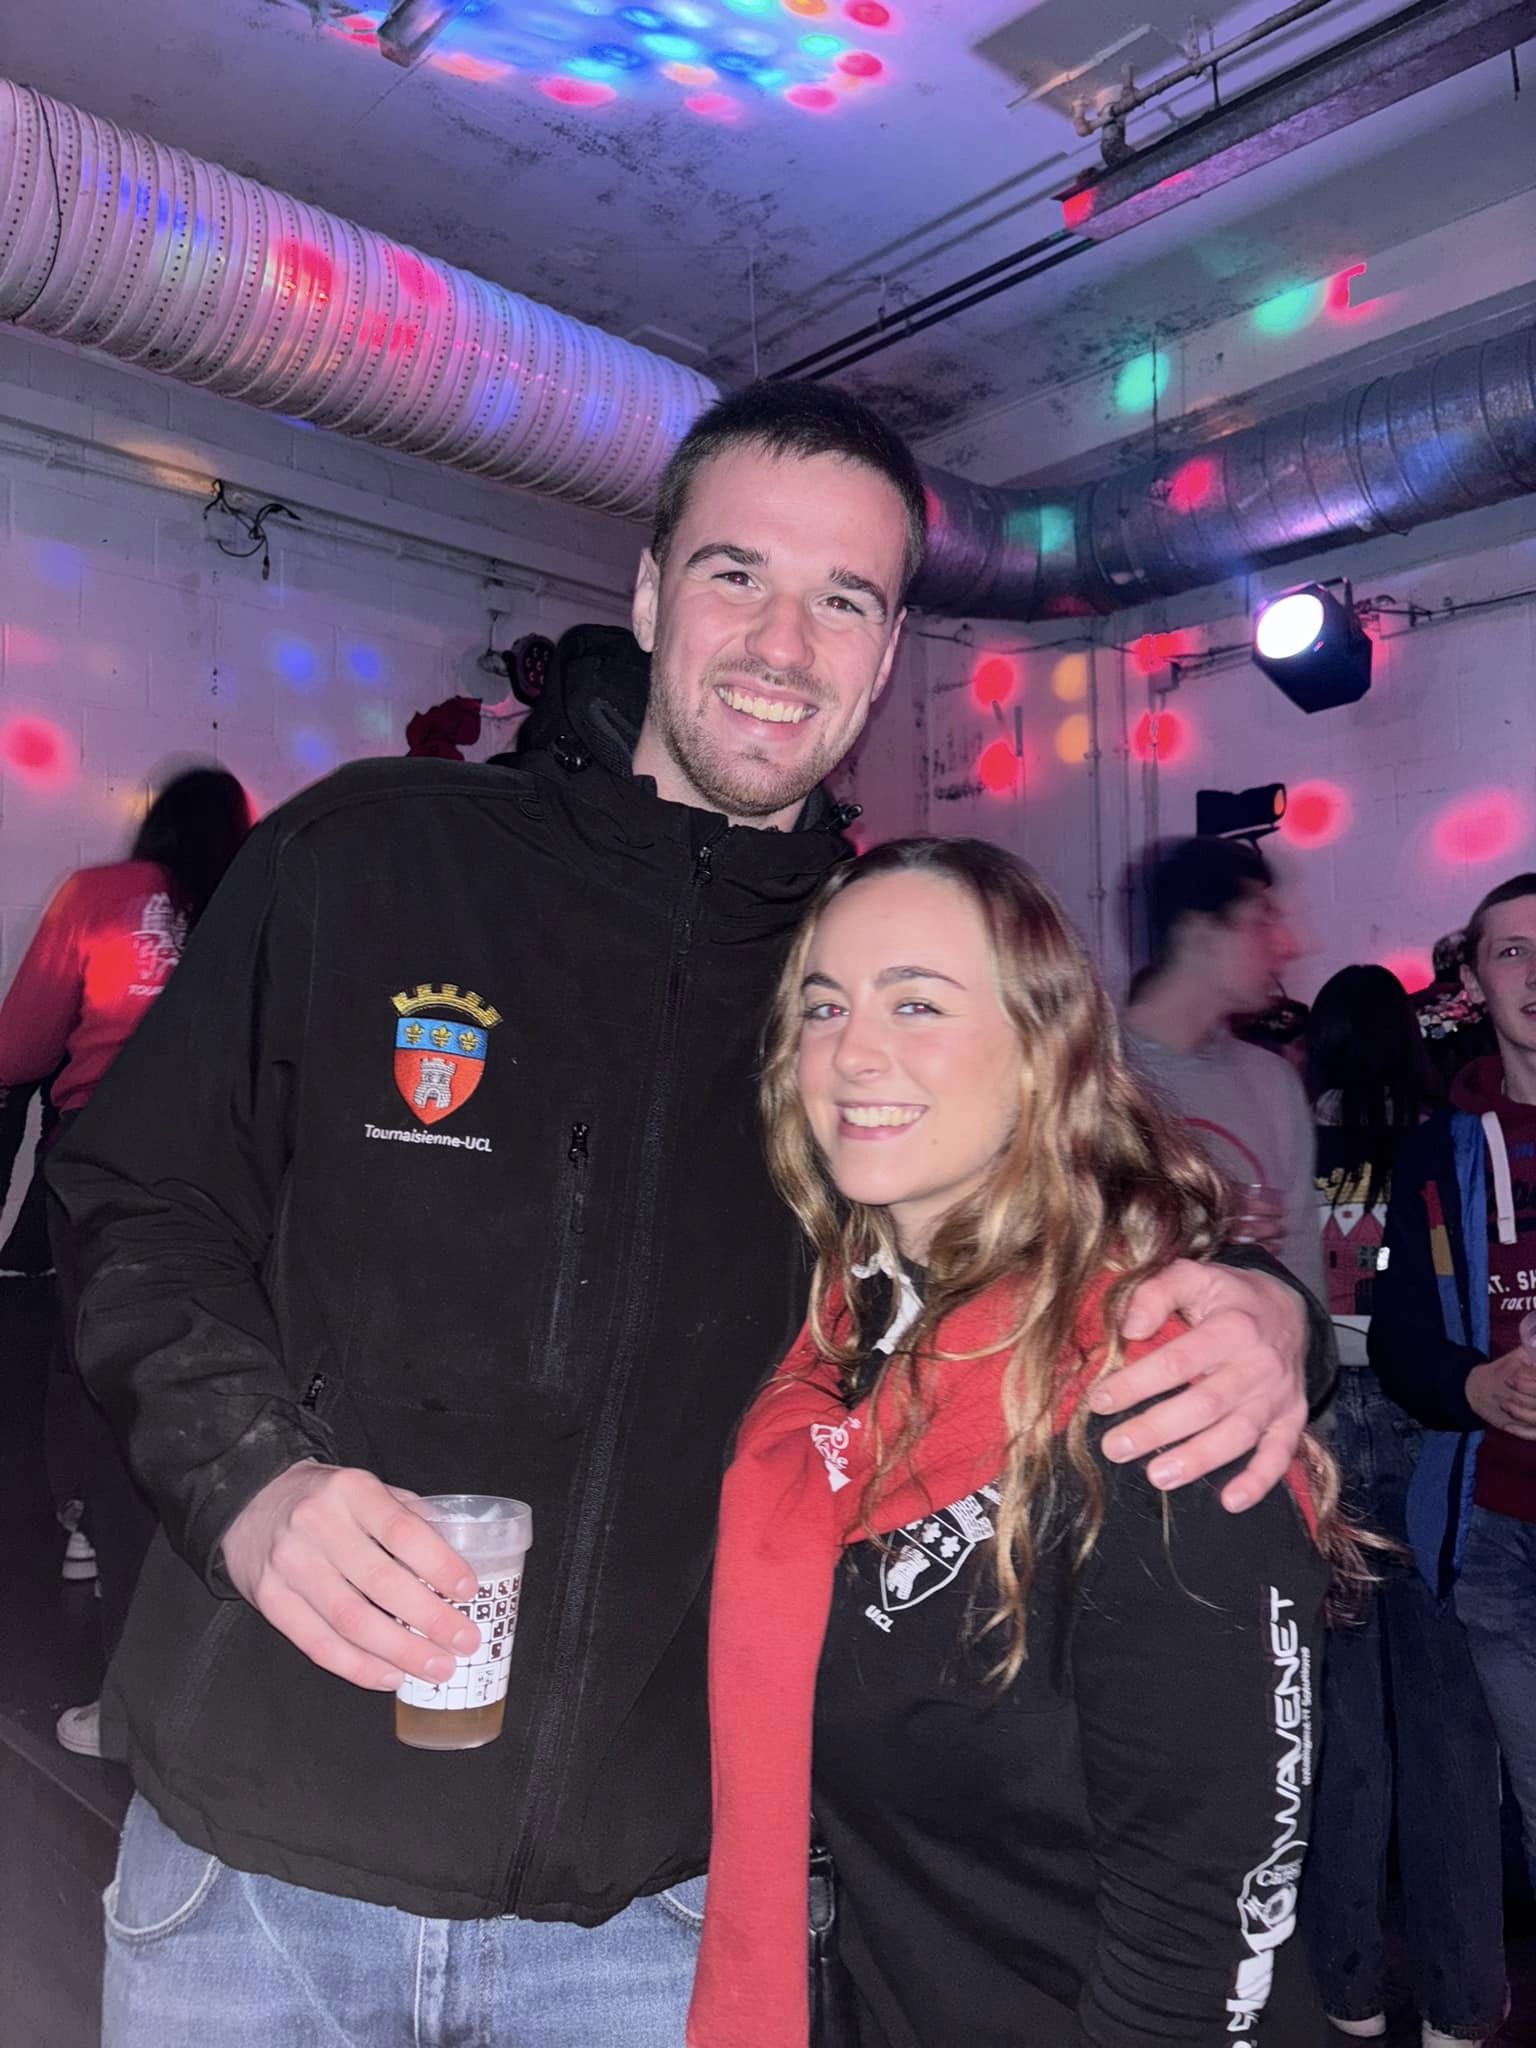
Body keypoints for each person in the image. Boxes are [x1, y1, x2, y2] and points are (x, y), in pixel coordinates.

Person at [50, 381, 1330, 2047]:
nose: (782, 646)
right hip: (259, 1869)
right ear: (651, 593)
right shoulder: (368, 858)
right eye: (737, 574)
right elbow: (137, 1200)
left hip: (650, 1924)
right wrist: (248, 1480)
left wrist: (1263, 1303)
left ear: (887, 652)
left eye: (844, 599)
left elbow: (1062, 1194)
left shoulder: (864, 974)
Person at [690, 837, 1350, 2048]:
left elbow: (1198, 1949)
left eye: (917, 1003)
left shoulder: (1157, 1398)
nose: (853, 1048)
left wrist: (1277, 1311)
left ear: (1044, 1049)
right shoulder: (831, 1349)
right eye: (825, 1005)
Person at [0, 765, 252, 1758]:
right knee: (201, 1366)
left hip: (106, 1156)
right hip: (232, 1164)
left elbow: (18, 1046)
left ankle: (90, 1543)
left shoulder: (99, 895)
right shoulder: (253, 902)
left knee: (89, 1360)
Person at [1299, 967, 1504, 2048]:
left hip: (1322, 1418)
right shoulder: (1444, 1141)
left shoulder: (1292, 1137)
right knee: (1450, 1728)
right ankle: (1463, 2001)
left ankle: (1346, 1988)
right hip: (1432, 1417)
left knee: (1342, 1729)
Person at [1373, 871, 1536, 1900]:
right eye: (1512, 951)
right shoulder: (1437, 1151)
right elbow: (1397, 1335)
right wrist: (1471, 1384)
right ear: (1473, 982)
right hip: (1495, 1536)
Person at [1125, 834, 1326, 1302]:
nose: (1289, 945)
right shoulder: (1088, 1071)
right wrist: (1198, 1229)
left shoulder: (1273, 1082)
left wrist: (1310, 1343)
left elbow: (1302, 1269)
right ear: (1200, 935)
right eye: (1262, 920)